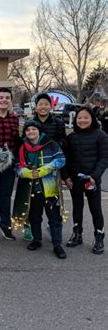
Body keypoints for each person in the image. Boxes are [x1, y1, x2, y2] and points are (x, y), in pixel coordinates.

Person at [16, 120, 67, 259]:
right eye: (28, 130)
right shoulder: (23, 147)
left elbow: (61, 159)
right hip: (32, 187)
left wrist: (46, 169)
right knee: (34, 216)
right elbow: (17, 166)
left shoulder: (51, 144)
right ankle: (36, 239)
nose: (31, 132)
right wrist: (25, 172)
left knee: (54, 217)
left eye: (33, 129)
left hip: (49, 185)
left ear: (39, 131)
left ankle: (57, 244)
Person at [62, 107, 108, 254]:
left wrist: (94, 176)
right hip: (75, 180)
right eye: (79, 118)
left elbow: (104, 158)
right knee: (77, 207)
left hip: (92, 180)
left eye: (86, 117)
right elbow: (65, 159)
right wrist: (66, 176)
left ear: (92, 119)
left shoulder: (101, 135)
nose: (82, 120)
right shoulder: (71, 137)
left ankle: (99, 236)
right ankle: (77, 233)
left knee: (96, 209)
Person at [0, 88, 21, 240]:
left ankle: (5, 224)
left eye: (7, 98)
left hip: (9, 164)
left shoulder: (14, 118)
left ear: (10, 101)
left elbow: (17, 141)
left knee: (5, 196)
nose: (4, 100)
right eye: (1, 97)